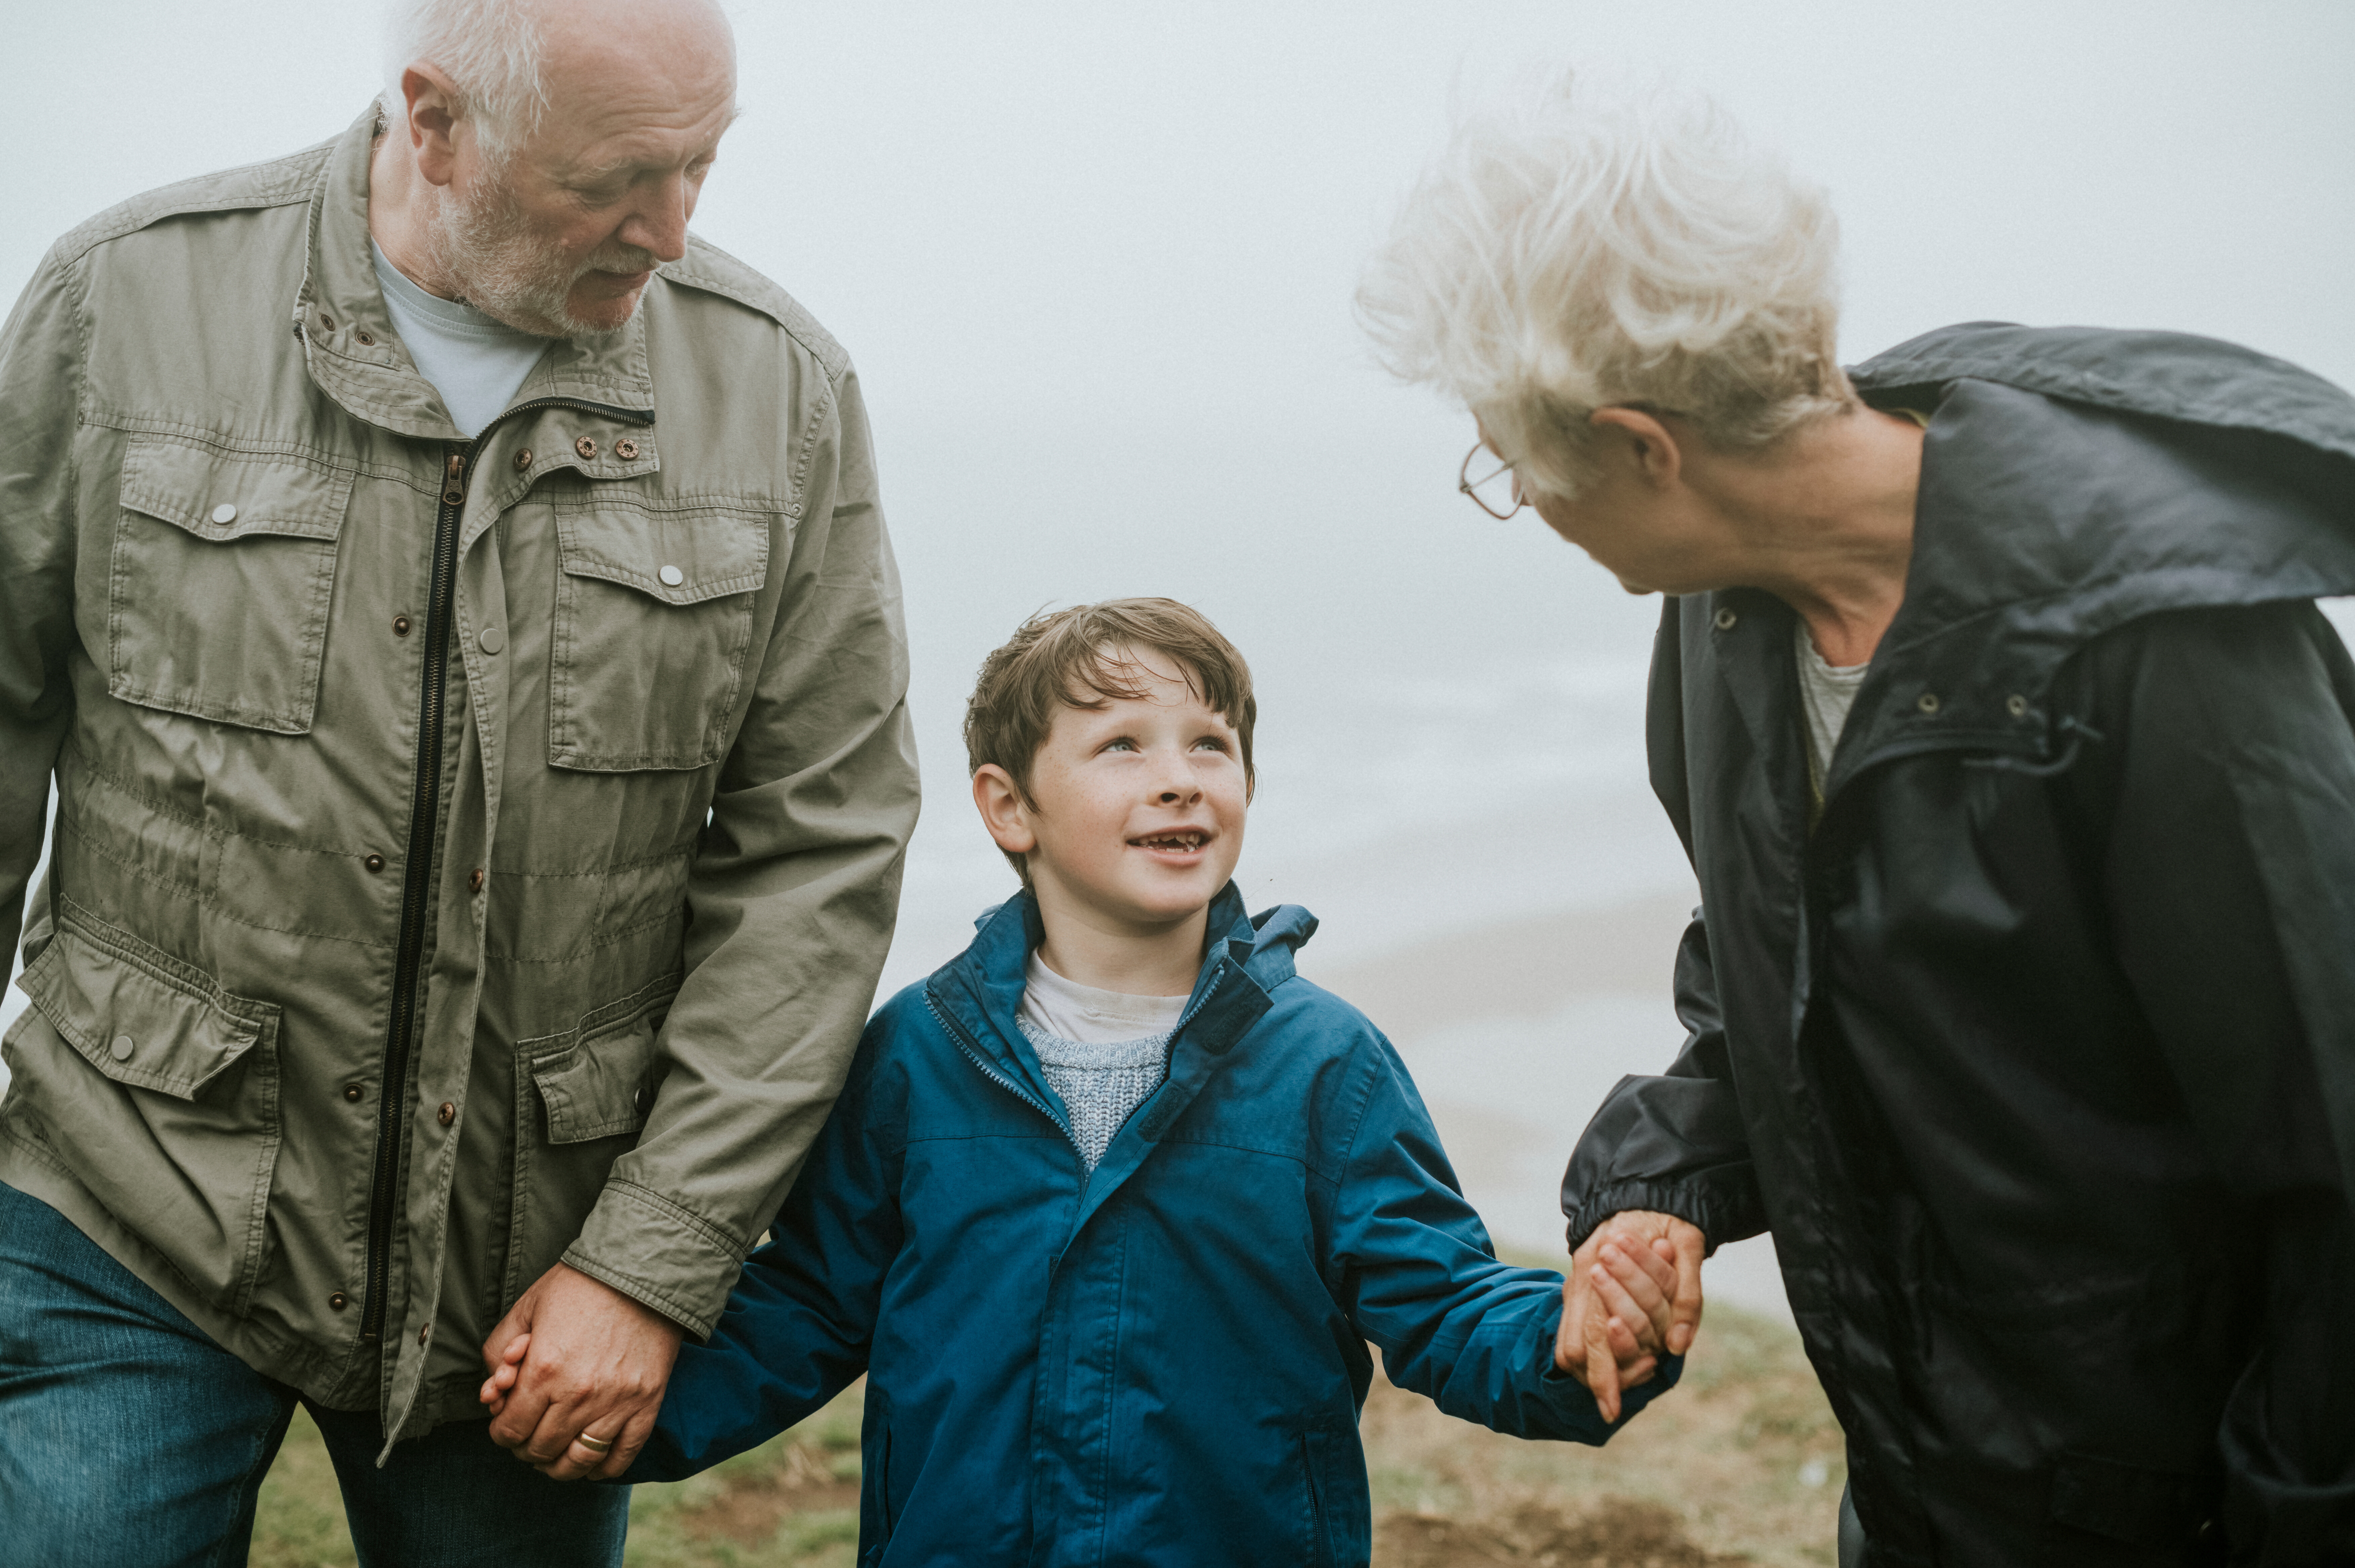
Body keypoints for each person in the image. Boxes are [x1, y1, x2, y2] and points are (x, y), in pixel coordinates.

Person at [1356, 75, 2355, 1568]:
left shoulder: (2162, 645)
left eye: (1512, 459)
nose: (1526, 498)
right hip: (1929, 1484)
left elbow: (2336, 1159)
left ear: (1641, 446)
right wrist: (1664, 1185)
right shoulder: (1719, 613)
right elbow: (1795, 966)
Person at [0, 0, 918, 1561]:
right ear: (433, 124)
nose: (675, 233)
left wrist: (651, 1260)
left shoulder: (782, 392)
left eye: (703, 165)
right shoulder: (119, 305)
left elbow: (818, 852)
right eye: (619, 177)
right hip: (124, 1208)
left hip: (539, 1276)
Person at [486, 598, 1685, 1563]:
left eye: (1210, 744)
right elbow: (805, 1307)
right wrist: (621, 1407)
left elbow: (1444, 1307)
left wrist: (1579, 1341)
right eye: (1123, 746)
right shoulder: (918, 1051)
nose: (1179, 779)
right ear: (1009, 806)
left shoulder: (1326, 1065)